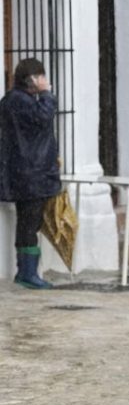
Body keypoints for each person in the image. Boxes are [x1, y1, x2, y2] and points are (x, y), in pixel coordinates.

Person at [0, 58, 61, 289]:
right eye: (41, 77)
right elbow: (43, 118)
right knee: (29, 224)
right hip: (30, 173)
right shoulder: (20, 102)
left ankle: (27, 271)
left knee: (30, 222)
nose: (46, 81)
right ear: (32, 79)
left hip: (28, 172)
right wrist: (46, 94)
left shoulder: (15, 101)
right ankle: (27, 273)